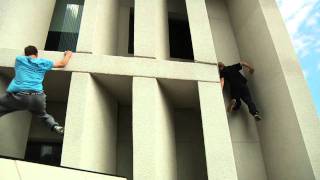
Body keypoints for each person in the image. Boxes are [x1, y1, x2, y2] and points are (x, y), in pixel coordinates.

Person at [0, 45, 72, 134]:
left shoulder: (19, 59)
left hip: (19, 96)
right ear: (37, 54)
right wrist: (68, 55)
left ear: (25, 54)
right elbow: (62, 64)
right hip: (38, 97)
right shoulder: (44, 62)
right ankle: (55, 126)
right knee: (43, 115)